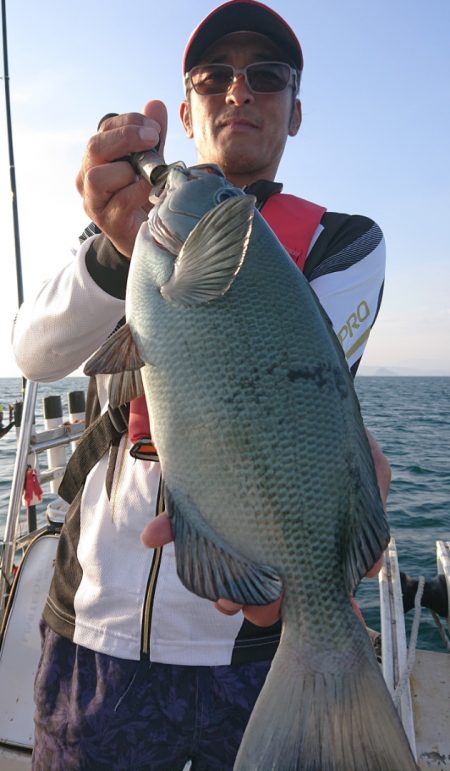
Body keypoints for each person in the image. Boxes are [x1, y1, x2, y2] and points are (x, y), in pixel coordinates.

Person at [12, 2, 390, 768]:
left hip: (246, 653)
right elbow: (34, 350)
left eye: (267, 76)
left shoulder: (342, 241)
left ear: (296, 109)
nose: (239, 92)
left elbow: (304, 405)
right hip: (95, 627)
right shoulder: (118, 234)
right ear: (185, 110)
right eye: (214, 76)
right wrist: (119, 254)